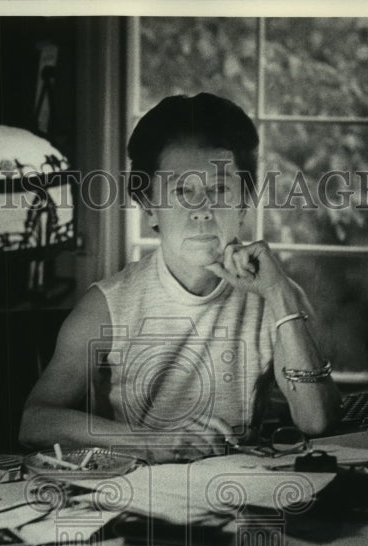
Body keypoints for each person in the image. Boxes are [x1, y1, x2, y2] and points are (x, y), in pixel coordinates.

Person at [20, 92, 339, 463]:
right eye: (182, 192)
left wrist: (280, 292)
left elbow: (317, 421)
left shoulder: (278, 297)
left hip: (240, 494)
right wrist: (150, 443)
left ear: (243, 203)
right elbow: (34, 422)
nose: (202, 210)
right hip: (134, 494)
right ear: (149, 207)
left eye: (218, 190)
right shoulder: (108, 305)